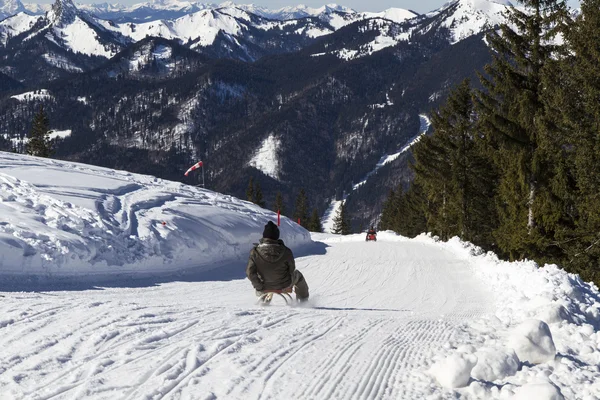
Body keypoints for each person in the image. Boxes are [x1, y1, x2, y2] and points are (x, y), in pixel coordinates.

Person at [246, 221, 309, 302]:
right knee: (298, 275)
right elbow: (292, 269)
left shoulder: (255, 252)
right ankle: (303, 301)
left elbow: (250, 273)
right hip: (284, 284)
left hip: (263, 285)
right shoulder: (286, 251)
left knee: (262, 274)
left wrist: (259, 286)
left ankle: (263, 300)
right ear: (277, 236)